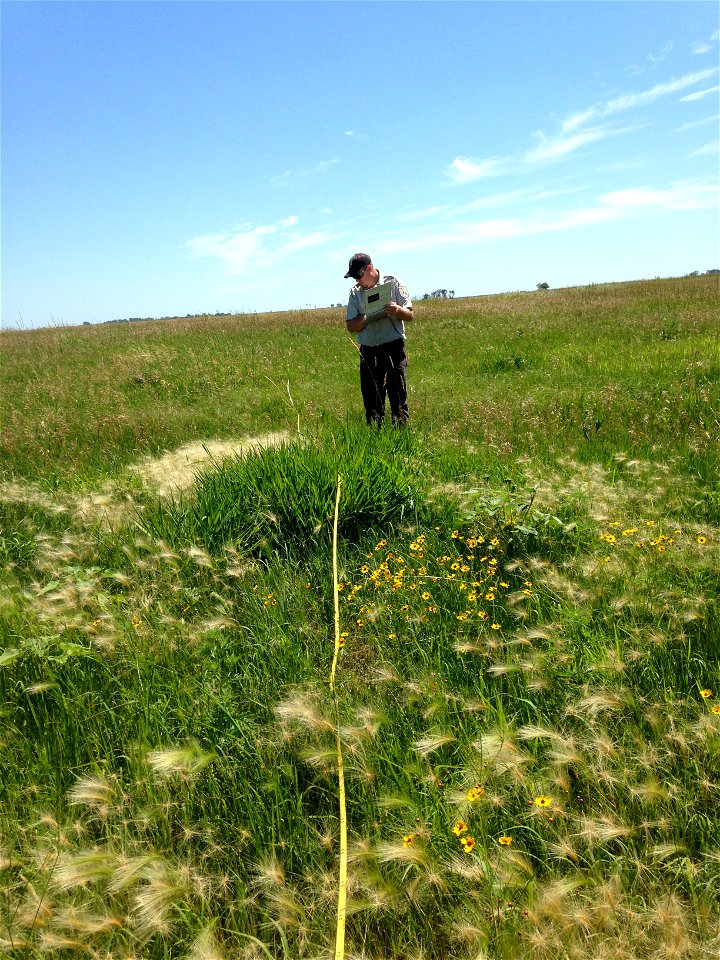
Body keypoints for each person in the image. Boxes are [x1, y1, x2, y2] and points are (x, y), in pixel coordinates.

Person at [344, 252, 413, 426]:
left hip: (393, 347)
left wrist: (397, 310)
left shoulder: (393, 282)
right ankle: (375, 433)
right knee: (372, 399)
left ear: (369, 269)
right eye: (353, 277)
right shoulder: (355, 293)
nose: (357, 281)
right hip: (368, 349)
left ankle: (400, 433)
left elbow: (410, 314)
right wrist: (366, 319)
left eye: (358, 275)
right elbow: (351, 326)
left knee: (398, 394)